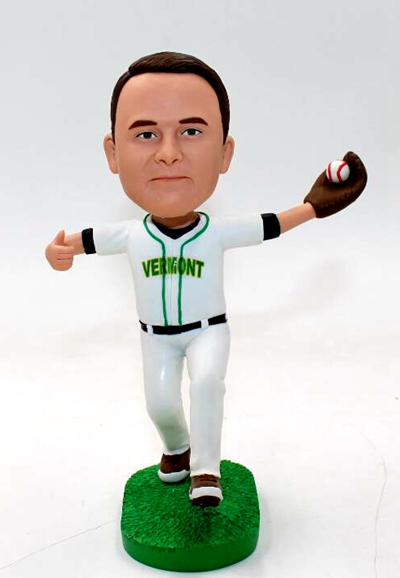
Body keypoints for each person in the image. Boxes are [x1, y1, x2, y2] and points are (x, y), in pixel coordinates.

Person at [45, 51, 367, 507]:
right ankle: (178, 448)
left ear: (224, 153)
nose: (169, 152)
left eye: (191, 132)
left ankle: (206, 471)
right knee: (160, 404)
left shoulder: (216, 231)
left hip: (208, 331)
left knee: (207, 384)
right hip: (154, 336)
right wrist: (59, 250)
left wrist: (314, 207)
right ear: (113, 153)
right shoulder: (132, 234)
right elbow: (82, 241)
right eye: (146, 134)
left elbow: (271, 224)